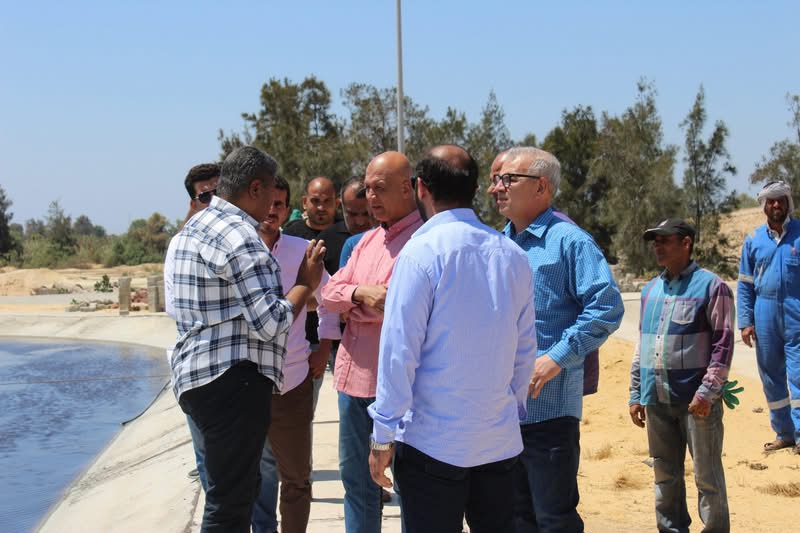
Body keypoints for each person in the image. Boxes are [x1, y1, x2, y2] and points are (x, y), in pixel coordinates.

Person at [368, 145, 537, 532]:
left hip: (432, 444)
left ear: (421, 188)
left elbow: (399, 352)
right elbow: (525, 347)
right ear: (475, 189)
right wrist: (508, 410)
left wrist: (382, 435)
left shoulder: (420, 254)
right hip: (496, 442)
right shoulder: (511, 255)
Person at [169, 146, 325, 532]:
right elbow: (270, 322)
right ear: (255, 188)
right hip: (233, 383)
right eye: (272, 191)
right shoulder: (241, 236)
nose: (274, 203)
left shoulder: (194, 229)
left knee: (233, 492)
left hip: (198, 378)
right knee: (230, 504)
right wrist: (305, 283)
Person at [487, 146, 623, 532]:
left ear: (541, 187)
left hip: (548, 413)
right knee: (514, 519)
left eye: (508, 179)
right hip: (501, 412)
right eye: (495, 180)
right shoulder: (499, 245)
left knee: (553, 519)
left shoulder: (569, 242)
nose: (496, 188)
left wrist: (555, 358)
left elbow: (607, 308)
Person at [321, 151, 423, 533]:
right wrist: (361, 294)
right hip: (353, 383)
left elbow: (400, 309)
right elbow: (328, 295)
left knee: (412, 487)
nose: (371, 198)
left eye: (379, 188)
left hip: (402, 388)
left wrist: (352, 304)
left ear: (407, 188)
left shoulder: (422, 242)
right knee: (358, 484)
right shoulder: (365, 242)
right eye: (367, 189)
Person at [630, 218, 733, 533]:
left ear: (686, 243)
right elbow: (643, 344)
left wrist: (708, 392)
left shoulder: (712, 287)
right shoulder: (650, 290)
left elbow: (723, 345)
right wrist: (636, 392)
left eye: (664, 240)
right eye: (655, 242)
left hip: (697, 403)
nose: (657, 247)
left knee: (707, 477)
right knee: (665, 475)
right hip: (656, 399)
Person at [252, 176, 341, 533]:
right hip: (245, 383)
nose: (271, 211)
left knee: (296, 480)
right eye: (266, 203)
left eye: (279, 204)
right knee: (250, 474)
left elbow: (330, 300)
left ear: (288, 208)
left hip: (292, 383)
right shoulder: (237, 251)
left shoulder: (303, 251)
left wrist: (324, 348)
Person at [163, 162, 219, 489]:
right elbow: (175, 307)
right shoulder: (180, 245)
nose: (213, 201)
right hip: (197, 367)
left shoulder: (245, 237)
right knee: (208, 460)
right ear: (193, 203)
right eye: (205, 196)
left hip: (242, 371)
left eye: (219, 193)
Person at [738, 180, 800, 453]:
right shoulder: (753, 240)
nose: (776, 204)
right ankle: (784, 433)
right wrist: (745, 322)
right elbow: (745, 285)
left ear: (788, 203)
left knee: (799, 374)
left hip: (796, 314)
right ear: (764, 205)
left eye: (781, 200)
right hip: (764, 315)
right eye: (771, 200)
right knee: (771, 376)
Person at [318, 176, 373, 275]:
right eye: (352, 214)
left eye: (366, 214)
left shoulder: (390, 240)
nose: (360, 222)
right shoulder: (325, 243)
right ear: (341, 206)